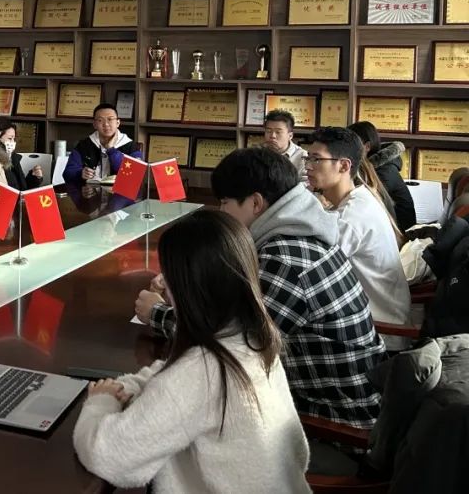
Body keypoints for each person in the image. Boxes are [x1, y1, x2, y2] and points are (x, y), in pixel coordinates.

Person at [135, 146, 385, 430]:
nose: (221, 212)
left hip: (331, 422)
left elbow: (234, 347)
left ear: (255, 203)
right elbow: (241, 303)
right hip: (331, 399)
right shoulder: (298, 234)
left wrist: (157, 314)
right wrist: (183, 292)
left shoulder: (286, 260)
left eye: (225, 202)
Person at [75, 208, 309, 493]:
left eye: (169, 276)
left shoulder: (203, 372)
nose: (162, 284)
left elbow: (109, 457)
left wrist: (101, 401)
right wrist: (127, 386)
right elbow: (174, 376)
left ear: (187, 289)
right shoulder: (253, 338)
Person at [306, 127, 411, 341]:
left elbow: (314, 270)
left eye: (316, 159)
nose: (308, 166)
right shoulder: (360, 197)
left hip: (380, 331)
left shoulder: (352, 216)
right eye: (307, 158)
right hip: (377, 317)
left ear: (344, 166)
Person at [348, 120, 416, 233]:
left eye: (351, 145)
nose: (346, 149)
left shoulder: (384, 171)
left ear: (367, 146)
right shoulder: (370, 167)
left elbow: (365, 205)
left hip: (399, 233)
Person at [62, 103, 142, 183]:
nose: (106, 124)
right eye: (100, 120)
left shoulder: (131, 146)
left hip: (120, 190)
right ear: (94, 124)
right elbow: (67, 173)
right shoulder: (84, 145)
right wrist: (80, 173)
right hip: (90, 189)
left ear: (118, 123)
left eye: (110, 119)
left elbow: (136, 175)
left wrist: (111, 150)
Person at [0, 120, 43, 191]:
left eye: (14, 139)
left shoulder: (14, 158)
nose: (13, 142)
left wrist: (34, 177)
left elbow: (23, 188)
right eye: (10, 138)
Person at [262, 109, 307, 182]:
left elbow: (305, 184)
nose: (272, 136)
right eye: (268, 131)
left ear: (290, 135)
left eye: (278, 132)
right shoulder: (257, 154)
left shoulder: (302, 156)